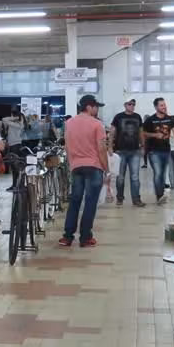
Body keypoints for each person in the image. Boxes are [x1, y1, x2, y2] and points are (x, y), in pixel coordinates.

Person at [59, 95, 108, 248]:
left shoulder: (69, 123)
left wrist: (72, 164)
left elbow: (67, 146)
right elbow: (101, 149)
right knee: (90, 202)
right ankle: (85, 237)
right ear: (89, 107)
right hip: (93, 167)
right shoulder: (97, 124)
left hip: (76, 167)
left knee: (74, 201)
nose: (97, 109)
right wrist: (106, 169)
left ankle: (67, 237)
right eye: (96, 106)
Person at [143, 98, 174, 205]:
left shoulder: (170, 119)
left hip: (166, 150)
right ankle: (159, 196)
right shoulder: (150, 120)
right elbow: (143, 133)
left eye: (164, 105)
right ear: (156, 107)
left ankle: (161, 193)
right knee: (158, 172)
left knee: (162, 174)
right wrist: (155, 135)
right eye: (161, 105)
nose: (164, 107)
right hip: (153, 151)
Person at [109, 98, 145, 207]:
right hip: (120, 151)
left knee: (135, 177)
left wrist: (143, 146)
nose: (132, 106)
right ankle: (120, 198)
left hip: (135, 151)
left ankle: (136, 199)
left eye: (133, 104)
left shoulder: (137, 117)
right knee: (120, 177)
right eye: (129, 104)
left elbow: (141, 132)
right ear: (125, 105)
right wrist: (110, 146)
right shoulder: (118, 117)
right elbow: (112, 131)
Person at [2, 109, 25, 188]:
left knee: (15, 167)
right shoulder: (17, 124)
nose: (10, 117)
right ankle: (16, 185)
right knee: (15, 167)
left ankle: (16, 185)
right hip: (15, 145)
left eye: (11, 115)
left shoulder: (16, 124)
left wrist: (15, 118)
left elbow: (4, 119)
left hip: (15, 146)